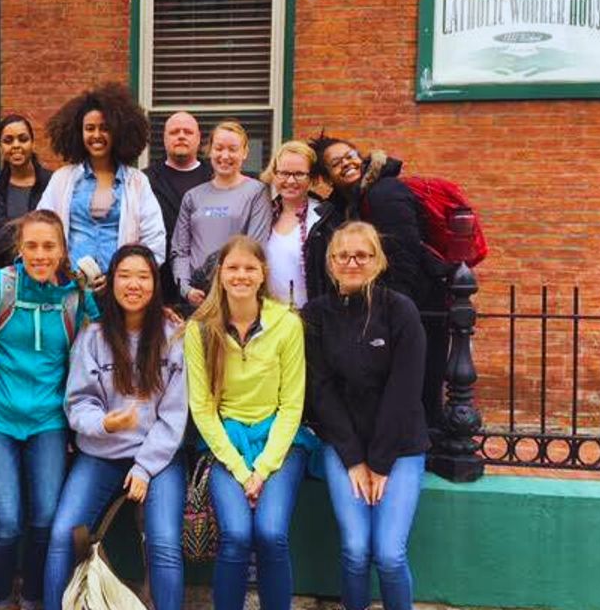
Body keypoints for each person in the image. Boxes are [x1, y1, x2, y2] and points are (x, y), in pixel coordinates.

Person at [44, 244, 187, 610]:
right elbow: (77, 403)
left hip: (158, 460)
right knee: (64, 534)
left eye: (143, 276)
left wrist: (145, 466)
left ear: (155, 284)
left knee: (164, 542)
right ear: (112, 282)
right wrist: (105, 422)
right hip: (101, 454)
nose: (133, 284)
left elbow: (174, 414)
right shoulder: (93, 336)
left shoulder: (173, 335)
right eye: (125, 276)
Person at [0, 210, 99, 610]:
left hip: (48, 420)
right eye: (32, 246)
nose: (40, 255)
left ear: (63, 250)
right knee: (7, 522)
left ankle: (32, 599)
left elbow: (112, 338)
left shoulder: (76, 298)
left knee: (44, 520)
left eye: (49, 247)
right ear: (19, 249)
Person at [301, 221, 429, 610]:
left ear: (378, 260)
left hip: (400, 448)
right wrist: (356, 460)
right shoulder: (317, 315)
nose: (352, 262)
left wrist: (380, 462)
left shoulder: (399, 310)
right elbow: (320, 391)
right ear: (330, 262)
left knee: (389, 554)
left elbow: (405, 390)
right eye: (343, 255)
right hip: (345, 448)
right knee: (356, 550)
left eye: (362, 255)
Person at [185, 235, 307, 610]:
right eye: (233, 268)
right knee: (236, 535)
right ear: (220, 274)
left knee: (271, 534)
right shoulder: (200, 328)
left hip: (279, 442)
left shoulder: (286, 324)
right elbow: (202, 408)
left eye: (249, 268)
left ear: (263, 273)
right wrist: (241, 471)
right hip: (227, 444)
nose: (241, 275)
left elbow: (292, 405)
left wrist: (263, 469)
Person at [308, 132, 447, 430]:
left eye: (349, 155)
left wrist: (392, 311)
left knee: (419, 384)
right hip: (395, 302)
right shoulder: (351, 200)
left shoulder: (384, 193)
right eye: (336, 163)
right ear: (328, 177)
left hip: (418, 303)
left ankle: (422, 446)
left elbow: (404, 256)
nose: (346, 163)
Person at [38, 83, 166, 278]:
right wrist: (58, 272)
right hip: (69, 286)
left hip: (118, 290)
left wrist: (128, 276)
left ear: (118, 132)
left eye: (104, 128)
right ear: (78, 133)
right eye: (90, 128)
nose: (96, 135)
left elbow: (154, 239)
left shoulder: (137, 182)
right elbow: (42, 229)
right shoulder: (62, 179)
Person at [171, 120, 272, 310]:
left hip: (236, 295)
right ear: (209, 151)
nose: (225, 155)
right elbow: (180, 250)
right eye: (219, 148)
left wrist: (232, 282)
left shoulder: (256, 192)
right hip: (198, 297)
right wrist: (186, 289)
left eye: (233, 149)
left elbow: (255, 247)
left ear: (245, 153)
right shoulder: (193, 196)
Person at [260, 140, 342, 309]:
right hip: (268, 319)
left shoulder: (325, 219)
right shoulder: (262, 215)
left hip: (311, 318)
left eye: (299, 174)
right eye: (283, 173)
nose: (290, 181)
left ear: (311, 177)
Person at [143, 111, 213, 304]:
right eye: (174, 132)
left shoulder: (215, 178)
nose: (181, 135)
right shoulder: (145, 181)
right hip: (159, 284)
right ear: (164, 139)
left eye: (188, 132)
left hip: (208, 283)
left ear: (198, 139)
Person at [0, 114, 54, 267]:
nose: (15, 145)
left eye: (23, 139)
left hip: (43, 267)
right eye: (8, 140)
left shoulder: (52, 183)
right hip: (1, 271)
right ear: (0, 147)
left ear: (33, 144)